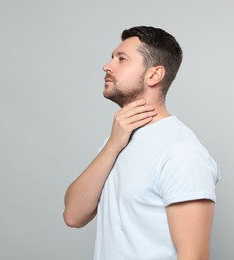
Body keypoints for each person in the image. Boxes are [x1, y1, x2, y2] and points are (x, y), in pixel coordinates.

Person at [63, 26, 220, 260]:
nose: (107, 66)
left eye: (122, 59)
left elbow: (194, 256)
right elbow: (73, 216)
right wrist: (112, 147)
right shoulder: (116, 141)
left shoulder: (182, 153)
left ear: (154, 75)